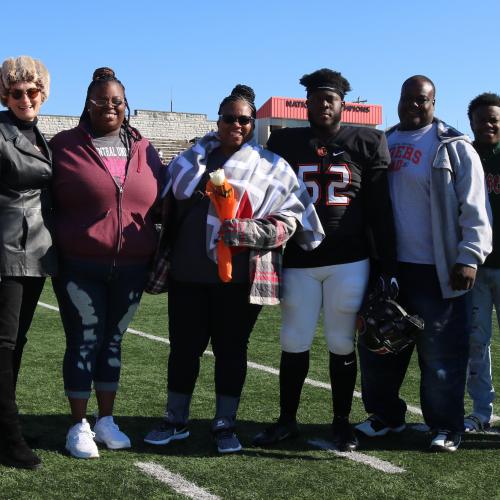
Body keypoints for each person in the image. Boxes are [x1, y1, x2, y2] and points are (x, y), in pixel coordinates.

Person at [144, 84, 324, 454]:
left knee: (231, 351)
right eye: (230, 118)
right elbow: (163, 202)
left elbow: (291, 220)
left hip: (240, 279)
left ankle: (225, 422)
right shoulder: (188, 159)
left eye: (244, 120)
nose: (236, 125)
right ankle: (175, 418)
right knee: (183, 350)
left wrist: (244, 230)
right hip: (187, 274)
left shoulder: (270, 167)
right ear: (219, 119)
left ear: (253, 123)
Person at [253, 68, 397, 452]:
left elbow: (380, 207)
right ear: (307, 104)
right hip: (300, 257)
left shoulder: (367, 140)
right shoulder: (285, 141)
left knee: (340, 342)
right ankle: (286, 420)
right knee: (293, 339)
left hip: (350, 260)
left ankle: (341, 422)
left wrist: (387, 263)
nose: (323, 105)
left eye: (329, 98)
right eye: (316, 99)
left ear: (343, 104)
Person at [356, 75, 492, 452]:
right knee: (380, 347)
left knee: (441, 354)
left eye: (423, 100)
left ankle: (446, 426)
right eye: (408, 99)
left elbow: (476, 208)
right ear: (398, 99)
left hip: (439, 269)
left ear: (434, 103)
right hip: (390, 267)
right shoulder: (383, 140)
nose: (414, 105)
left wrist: (469, 257)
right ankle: (385, 416)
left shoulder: (454, 146)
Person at [50, 68, 162, 459]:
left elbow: (162, 199)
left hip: (132, 265)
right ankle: (78, 425)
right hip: (79, 264)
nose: (109, 106)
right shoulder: (64, 144)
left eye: (116, 100)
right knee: (84, 341)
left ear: (125, 104)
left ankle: (106, 420)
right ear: (87, 103)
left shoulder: (145, 148)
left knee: (112, 343)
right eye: (101, 100)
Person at [0, 55, 56, 469]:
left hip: (35, 252)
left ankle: (5, 428)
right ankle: (11, 437)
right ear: (5, 94)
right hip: (6, 250)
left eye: (32, 91)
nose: (25, 98)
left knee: (15, 344)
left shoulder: (37, 134)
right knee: (2, 347)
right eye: (16, 92)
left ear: (43, 93)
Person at [464, 92, 500, 432]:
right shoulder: (466, 154)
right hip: (476, 265)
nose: (489, 123)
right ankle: (480, 410)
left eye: (495, 118)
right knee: (477, 341)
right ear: (471, 122)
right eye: (482, 118)